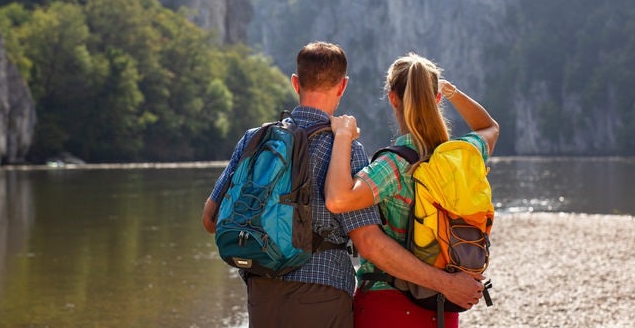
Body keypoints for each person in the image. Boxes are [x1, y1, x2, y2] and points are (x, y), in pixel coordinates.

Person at [202, 43, 483, 328]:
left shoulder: (255, 138)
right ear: (343, 86)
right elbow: (369, 242)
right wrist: (446, 283)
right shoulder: (344, 148)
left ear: (296, 82)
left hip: (261, 292)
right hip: (323, 291)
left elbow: (211, 220)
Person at [324, 52, 500, 328]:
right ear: (437, 98)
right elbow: (489, 126)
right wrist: (449, 90)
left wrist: (343, 136)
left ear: (393, 98)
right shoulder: (461, 155)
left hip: (388, 305)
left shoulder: (393, 164)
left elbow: (337, 199)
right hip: (444, 305)